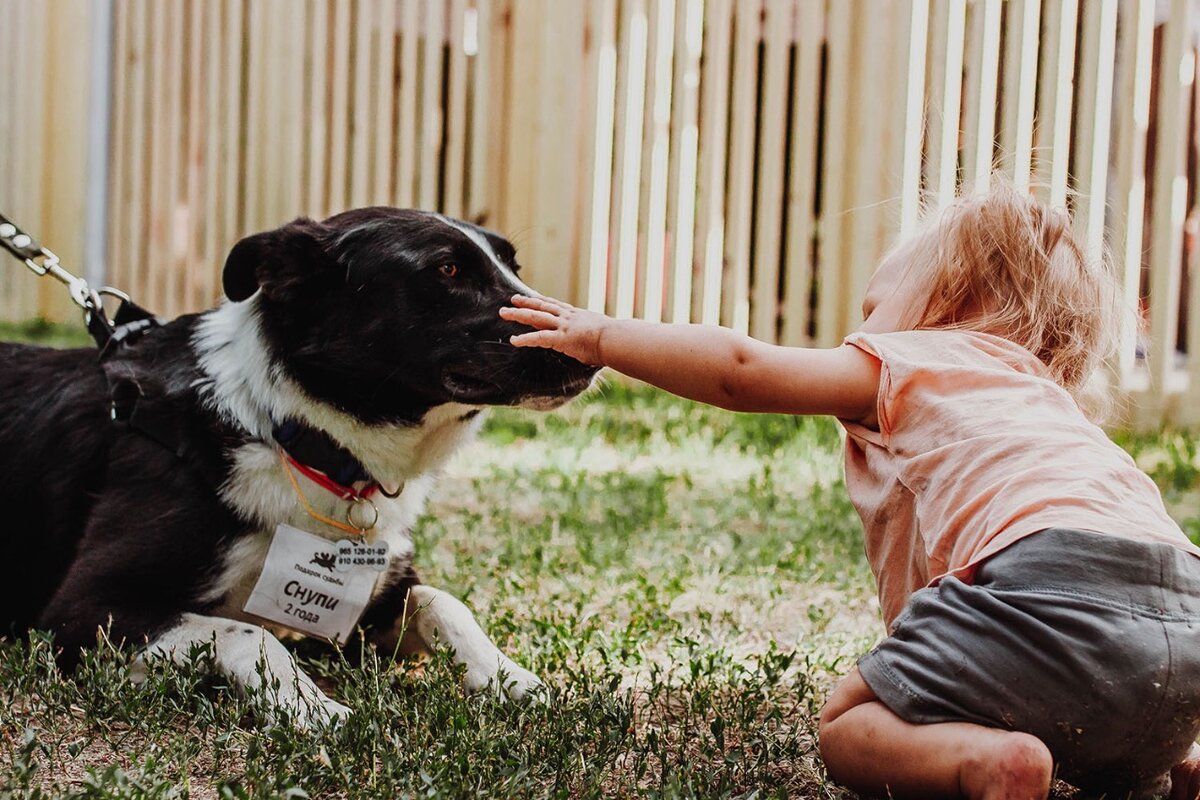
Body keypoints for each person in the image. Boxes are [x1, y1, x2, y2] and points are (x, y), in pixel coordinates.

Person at [498, 179, 1200, 800]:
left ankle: (991, 764)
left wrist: (603, 336)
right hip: (1182, 608)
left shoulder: (916, 358)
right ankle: (1179, 762)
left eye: (871, 309)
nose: (858, 333)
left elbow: (740, 369)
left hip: (1044, 578)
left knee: (850, 726)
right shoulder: (1051, 406)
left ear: (944, 300)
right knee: (1117, 748)